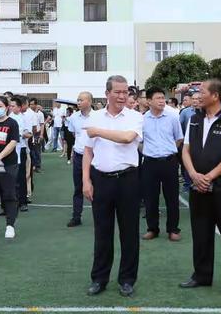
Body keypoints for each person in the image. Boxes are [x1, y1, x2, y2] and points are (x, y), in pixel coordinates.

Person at [180, 79, 221, 297]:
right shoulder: (195, 119)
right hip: (198, 187)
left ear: (215, 96)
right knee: (201, 233)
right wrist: (193, 174)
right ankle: (201, 275)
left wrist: (209, 176)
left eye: (202, 92)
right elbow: (186, 150)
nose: (197, 95)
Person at [83, 75, 143, 297]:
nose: (121, 96)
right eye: (117, 92)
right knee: (102, 232)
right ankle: (99, 278)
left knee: (129, 232)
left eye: (125, 92)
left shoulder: (135, 117)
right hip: (101, 179)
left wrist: (98, 131)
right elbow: (87, 151)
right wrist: (86, 181)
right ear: (107, 93)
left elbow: (128, 138)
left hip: (128, 179)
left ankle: (127, 279)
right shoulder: (95, 116)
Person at [142, 87, 183, 241]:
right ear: (149, 101)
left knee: (172, 197)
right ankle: (152, 228)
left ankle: (173, 229)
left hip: (169, 162)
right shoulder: (143, 119)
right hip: (150, 163)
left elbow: (179, 138)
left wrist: (168, 150)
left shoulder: (172, 117)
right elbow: (139, 142)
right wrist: (149, 151)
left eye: (162, 98)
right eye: (158, 98)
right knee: (150, 198)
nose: (161, 101)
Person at [0, 96, 20, 240]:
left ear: (7, 107)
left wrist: (0, 156)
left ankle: (10, 225)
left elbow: (13, 142)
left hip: (8, 163)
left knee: (8, 194)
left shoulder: (12, 123)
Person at [66, 91, 93, 227]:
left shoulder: (97, 117)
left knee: (97, 187)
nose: (78, 102)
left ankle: (100, 216)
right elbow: (73, 133)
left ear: (89, 101)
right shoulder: (74, 117)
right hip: (78, 156)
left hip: (94, 157)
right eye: (78, 99)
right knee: (78, 187)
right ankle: (76, 216)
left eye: (81, 100)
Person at [10, 96, 32, 213]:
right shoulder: (8, 118)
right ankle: (10, 202)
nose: (11, 108)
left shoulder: (24, 118)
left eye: (13, 106)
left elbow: (29, 133)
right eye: (10, 105)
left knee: (21, 176)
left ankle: (22, 201)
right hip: (10, 149)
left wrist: (20, 135)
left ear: (19, 107)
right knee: (10, 176)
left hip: (21, 148)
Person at [29, 98, 44, 173]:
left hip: (37, 133)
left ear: (36, 104)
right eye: (30, 104)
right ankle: (32, 165)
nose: (31, 106)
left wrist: (41, 134)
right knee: (31, 151)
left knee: (37, 151)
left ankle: (38, 166)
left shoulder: (40, 114)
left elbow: (42, 125)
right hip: (30, 134)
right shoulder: (28, 113)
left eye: (32, 104)